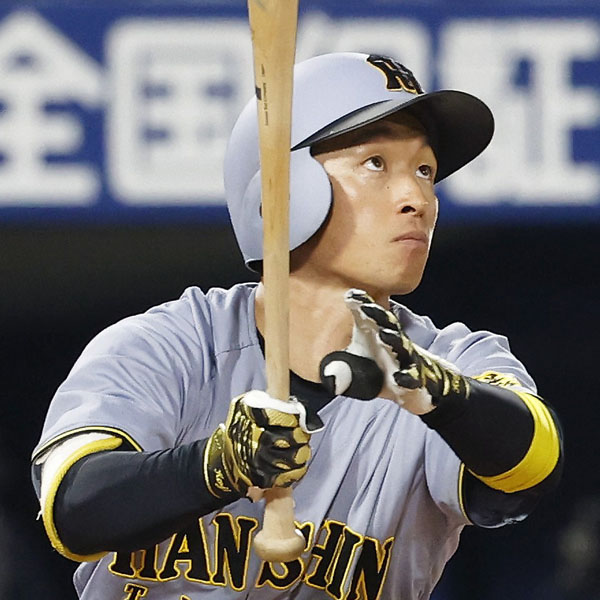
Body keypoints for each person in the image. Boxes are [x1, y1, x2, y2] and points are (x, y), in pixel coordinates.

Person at [31, 52, 562, 600]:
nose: (418, 200)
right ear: (279, 191)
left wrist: (442, 394)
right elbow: (74, 510)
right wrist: (218, 464)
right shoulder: (170, 346)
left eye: (424, 171)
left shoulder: (450, 360)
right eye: (376, 164)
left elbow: (529, 473)